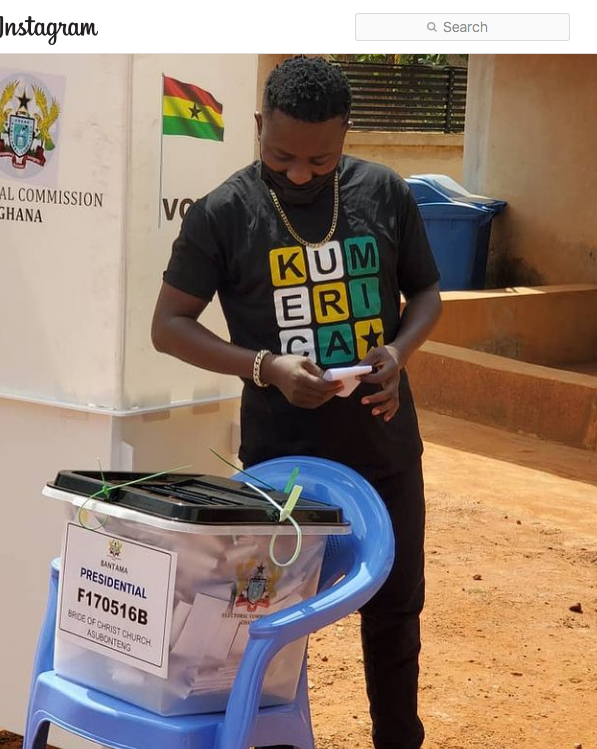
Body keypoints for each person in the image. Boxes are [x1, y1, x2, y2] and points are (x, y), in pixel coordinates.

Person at [152, 55, 442, 749]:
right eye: (282, 156)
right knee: (271, 618)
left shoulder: (384, 192)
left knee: (397, 611)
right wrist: (263, 365)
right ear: (257, 127)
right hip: (283, 466)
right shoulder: (225, 213)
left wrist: (396, 355)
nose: (302, 172)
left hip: (383, 448)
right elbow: (169, 326)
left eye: (322, 158)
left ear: (346, 135)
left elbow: (425, 294)